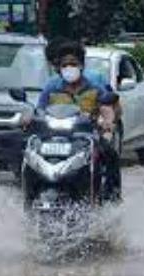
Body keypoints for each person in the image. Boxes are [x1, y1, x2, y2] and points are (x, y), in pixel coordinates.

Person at [37, 40, 121, 201]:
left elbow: (107, 107)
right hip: (55, 137)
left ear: (81, 66)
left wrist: (108, 122)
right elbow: (39, 110)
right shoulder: (51, 87)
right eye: (65, 65)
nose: (69, 68)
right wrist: (28, 119)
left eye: (73, 64)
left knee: (110, 154)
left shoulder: (94, 87)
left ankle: (111, 196)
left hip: (86, 136)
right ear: (59, 68)